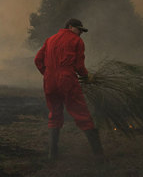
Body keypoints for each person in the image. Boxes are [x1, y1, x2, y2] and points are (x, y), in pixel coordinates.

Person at [34, 18, 104, 161]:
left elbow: (37, 60)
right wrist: (87, 76)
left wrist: (47, 74)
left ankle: (52, 155)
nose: (80, 33)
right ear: (70, 27)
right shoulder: (76, 41)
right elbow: (79, 66)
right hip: (67, 80)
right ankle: (99, 156)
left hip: (49, 81)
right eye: (79, 30)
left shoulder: (50, 39)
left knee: (54, 114)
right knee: (82, 114)